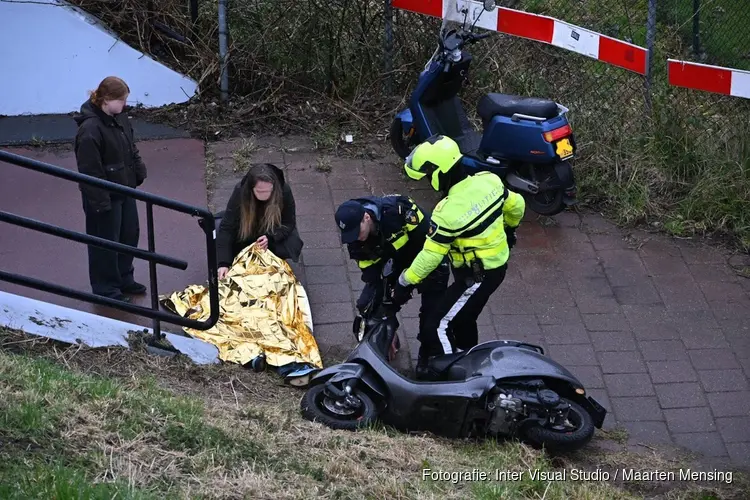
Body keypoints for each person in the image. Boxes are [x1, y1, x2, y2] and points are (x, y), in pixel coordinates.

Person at [395, 135, 526, 380]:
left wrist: (405, 281)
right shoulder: (489, 181)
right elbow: (517, 204)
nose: (425, 181)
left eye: (426, 175)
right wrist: (509, 229)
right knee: (464, 320)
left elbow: (430, 258)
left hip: (475, 276)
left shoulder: (447, 213)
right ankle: (471, 361)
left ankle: (452, 381)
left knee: (436, 326)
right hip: (496, 267)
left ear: (437, 172)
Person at [334, 194, 450, 349]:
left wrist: (407, 282)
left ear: (366, 217)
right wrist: (387, 301)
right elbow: (372, 274)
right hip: (395, 265)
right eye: (350, 235)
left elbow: (432, 246)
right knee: (368, 306)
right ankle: (387, 338)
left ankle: (428, 357)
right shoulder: (355, 241)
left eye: (357, 231)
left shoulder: (400, 211)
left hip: (427, 260)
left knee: (432, 320)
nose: (356, 238)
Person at [74, 76, 147, 303]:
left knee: (128, 235)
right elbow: (90, 170)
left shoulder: (119, 118)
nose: (124, 104)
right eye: (121, 100)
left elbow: (130, 146)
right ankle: (106, 288)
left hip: (125, 189)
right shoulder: (90, 130)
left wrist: (138, 171)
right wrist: (101, 202)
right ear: (106, 100)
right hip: (104, 197)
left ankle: (124, 278)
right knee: (105, 242)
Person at [216, 163, 303, 278]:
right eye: (260, 191)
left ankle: (273, 260)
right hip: (247, 230)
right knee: (217, 231)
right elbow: (227, 227)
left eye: (269, 191)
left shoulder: (284, 190)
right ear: (251, 189)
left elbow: (288, 222)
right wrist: (223, 263)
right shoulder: (241, 191)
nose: (265, 195)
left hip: (272, 231)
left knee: (291, 244)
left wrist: (271, 237)